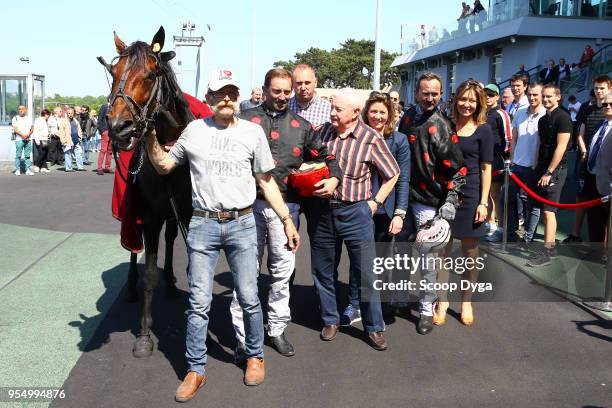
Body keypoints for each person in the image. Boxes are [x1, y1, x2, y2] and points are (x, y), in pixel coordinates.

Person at [144, 69, 299, 401]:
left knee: (248, 296)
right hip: (203, 224)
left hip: (243, 223)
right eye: (219, 92)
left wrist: (286, 218)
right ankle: (195, 369)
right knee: (198, 303)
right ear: (209, 98)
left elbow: (266, 181)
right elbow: (164, 166)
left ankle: (255, 356)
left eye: (232, 92)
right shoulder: (193, 132)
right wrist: (149, 138)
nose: (226, 98)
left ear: (237, 96)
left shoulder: (252, 133)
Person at [232, 68, 341, 357]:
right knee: (246, 273)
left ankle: (276, 329)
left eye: (286, 91)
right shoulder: (243, 121)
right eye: (276, 91)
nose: (281, 96)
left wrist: (334, 177)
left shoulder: (302, 126)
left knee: (282, 274)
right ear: (265, 89)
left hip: (286, 209)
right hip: (246, 207)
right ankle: (243, 336)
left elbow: (327, 156)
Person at [310, 88, 399, 351]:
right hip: (323, 212)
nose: (332, 113)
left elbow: (392, 173)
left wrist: (375, 202)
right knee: (322, 269)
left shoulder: (370, 138)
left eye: (338, 109)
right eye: (332, 108)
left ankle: (373, 327)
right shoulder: (323, 132)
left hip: (355, 212)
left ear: (355, 113)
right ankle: (330, 319)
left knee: (366, 272)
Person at [398, 72, 466, 334]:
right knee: (399, 252)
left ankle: (426, 309)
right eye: (425, 93)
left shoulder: (444, 125)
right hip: (402, 198)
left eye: (434, 94)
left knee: (428, 258)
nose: (429, 98)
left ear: (440, 95)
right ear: (416, 93)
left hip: (428, 201)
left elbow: (459, 170)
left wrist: (450, 201)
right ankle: (399, 297)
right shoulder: (405, 119)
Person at [340, 92, 410, 327]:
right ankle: (354, 303)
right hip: (358, 207)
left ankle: (375, 304)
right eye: (374, 111)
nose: (378, 116)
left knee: (378, 260)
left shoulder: (398, 141)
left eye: (383, 112)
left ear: (389, 115)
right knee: (357, 260)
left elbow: (402, 179)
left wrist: (400, 212)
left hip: (384, 211)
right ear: (365, 113)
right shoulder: (356, 137)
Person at [435, 80, 493, 327]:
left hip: (470, 194)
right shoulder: (445, 125)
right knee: (442, 253)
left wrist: (483, 202)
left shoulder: (484, 130)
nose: (466, 104)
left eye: (472, 100)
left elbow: (486, 169)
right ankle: (443, 300)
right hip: (443, 193)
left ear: (478, 103)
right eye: (463, 99)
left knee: (470, 253)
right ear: (455, 99)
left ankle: (466, 300)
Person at [526, 84, 571, 267]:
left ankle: (548, 253)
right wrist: (537, 165)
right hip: (541, 169)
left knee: (548, 212)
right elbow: (541, 144)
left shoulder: (564, 118)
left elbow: (561, 147)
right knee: (537, 208)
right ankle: (549, 248)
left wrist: (549, 172)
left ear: (558, 97)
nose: (545, 100)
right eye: (543, 96)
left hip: (556, 171)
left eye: (549, 97)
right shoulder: (543, 120)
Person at [566, 75, 611, 242]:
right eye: (596, 88)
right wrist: (585, 152)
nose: (599, 92)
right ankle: (578, 234)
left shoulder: (608, 115)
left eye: (602, 88)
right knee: (585, 200)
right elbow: (580, 134)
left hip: (605, 172)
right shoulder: (587, 109)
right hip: (588, 164)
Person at [501, 82, 547, 243]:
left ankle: (528, 237)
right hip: (517, 166)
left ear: (542, 95)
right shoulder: (520, 113)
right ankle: (512, 234)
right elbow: (514, 137)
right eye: (530, 94)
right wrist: (512, 160)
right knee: (505, 197)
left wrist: (536, 163)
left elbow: (544, 143)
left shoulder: (545, 115)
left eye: (536, 94)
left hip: (533, 167)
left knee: (532, 204)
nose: (532, 97)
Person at [483, 84, 512, 241]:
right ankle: (490, 223)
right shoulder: (483, 113)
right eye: (485, 94)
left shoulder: (502, 114)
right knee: (486, 193)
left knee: (495, 194)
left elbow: (508, 138)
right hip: (484, 159)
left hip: (497, 160)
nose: (488, 96)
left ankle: (500, 229)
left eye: (491, 94)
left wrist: (506, 158)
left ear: (497, 97)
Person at [588, 91, 612, 245]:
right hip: (594, 180)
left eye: (611, 104)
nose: (608, 106)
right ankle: (596, 251)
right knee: (595, 221)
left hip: (609, 185)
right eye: (605, 104)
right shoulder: (599, 125)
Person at [288, 64, 332, 129]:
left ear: (315, 82)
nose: (303, 87)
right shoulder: (285, 108)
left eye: (307, 83)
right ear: (292, 84)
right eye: (299, 83)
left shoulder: (329, 109)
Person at [58, 107, 85, 172]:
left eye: (71, 113)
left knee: (79, 154)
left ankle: (80, 167)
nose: (70, 114)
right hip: (68, 141)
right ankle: (68, 168)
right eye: (69, 113)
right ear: (67, 114)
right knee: (68, 154)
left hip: (76, 141)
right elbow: (61, 132)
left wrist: (80, 136)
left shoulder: (75, 121)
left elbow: (79, 129)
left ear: (73, 113)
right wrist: (63, 141)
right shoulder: (63, 121)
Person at [12, 105, 34, 176]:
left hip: (28, 139)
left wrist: (28, 135)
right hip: (19, 140)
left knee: (27, 156)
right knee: (18, 155)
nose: (21, 110)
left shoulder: (28, 118)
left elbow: (32, 129)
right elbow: (15, 129)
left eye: (22, 109)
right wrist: (23, 135)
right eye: (19, 109)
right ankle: (17, 170)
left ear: (25, 110)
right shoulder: (15, 118)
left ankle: (27, 169)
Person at [96, 103, 114, 175]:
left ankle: (107, 167)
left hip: (112, 131)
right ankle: (99, 168)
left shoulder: (114, 106)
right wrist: (102, 131)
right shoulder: (105, 106)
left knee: (110, 151)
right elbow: (99, 119)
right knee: (103, 150)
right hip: (105, 131)